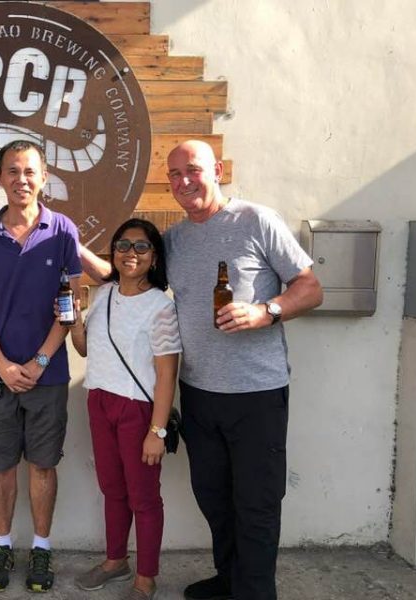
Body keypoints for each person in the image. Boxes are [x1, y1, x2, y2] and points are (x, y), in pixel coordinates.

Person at [81, 140, 323, 600]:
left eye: (192, 169)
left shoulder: (257, 221)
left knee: (256, 502)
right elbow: (125, 275)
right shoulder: (174, 241)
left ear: (217, 171)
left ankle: (254, 591)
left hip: (256, 392)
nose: (183, 181)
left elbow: (310, 288)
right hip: (199, 392)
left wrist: (266, 311)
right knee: (213, 496)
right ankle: (229, 578)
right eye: (174, 174)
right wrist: (70, 245)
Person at [0, 139, 83, 592]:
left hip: (47, 375)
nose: (22, 179)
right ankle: (1, 546)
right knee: (0, 465)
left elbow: (69, 305)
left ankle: (41, 548)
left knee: (42, 465)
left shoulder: (63, 230)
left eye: (30, 171)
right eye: (13, 171)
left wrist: (39, 360)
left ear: (44, 176)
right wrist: (0, 364)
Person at [69, 219, 181, 600]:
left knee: (143, 498)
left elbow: (167, 375)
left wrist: (157, 431)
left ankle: (146, 578)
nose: (131, 253)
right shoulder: (103, 294)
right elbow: (86, 349)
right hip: (99, 401)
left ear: (154, 257)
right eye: (123, 245)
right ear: (113, 252)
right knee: (112, 489)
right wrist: (74, 324)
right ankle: (116, 560)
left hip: (138, 411)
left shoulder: (161, 307)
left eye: (141, 246)